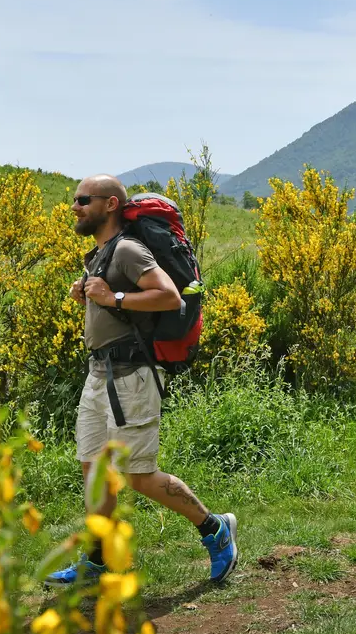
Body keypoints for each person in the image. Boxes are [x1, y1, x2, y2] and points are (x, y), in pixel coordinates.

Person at [46, 174, 238, 586]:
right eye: (75, 199)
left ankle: (216, 529)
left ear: (110, 205)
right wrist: (94, 292)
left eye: (83, 199)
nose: (75, 206)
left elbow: (169, 295)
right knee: (94, 468)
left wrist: (112, 298)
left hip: (131, 377)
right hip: (99, 375)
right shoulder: (101, 253)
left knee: (137, 474)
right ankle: (98, 562)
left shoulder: (129, 250)